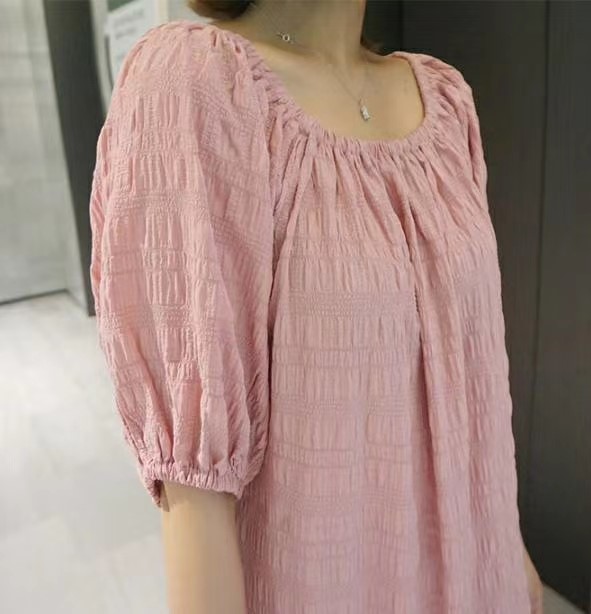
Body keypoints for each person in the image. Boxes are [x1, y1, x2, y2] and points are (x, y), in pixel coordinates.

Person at [89, 0, 543, 612]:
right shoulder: (199, 82)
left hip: (479, 572)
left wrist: (510, 556)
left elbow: (471, 389)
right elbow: (195, 484)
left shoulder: (445, 97)